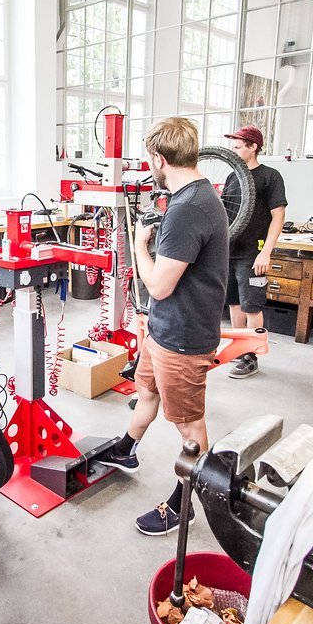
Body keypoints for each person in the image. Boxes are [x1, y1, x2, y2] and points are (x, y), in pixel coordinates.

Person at [102, 116, 229, 536]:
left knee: (189, 424)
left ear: (159, 158)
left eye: (148, 160)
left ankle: (186, 502)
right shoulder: (195, 196)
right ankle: (126, 449)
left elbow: (157, 286)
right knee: (146, 390)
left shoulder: (188, 209)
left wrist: (139, 244)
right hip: (163, 330)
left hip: (183, 337)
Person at [223, 125, 286, 379]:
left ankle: (251, 357)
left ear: (253, 147)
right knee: (235, 303)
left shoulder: (270, 176)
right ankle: (239, 350)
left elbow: (278, 215)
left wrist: (266, 252)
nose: (234, 151)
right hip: (230, 251)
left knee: (252, 305)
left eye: (238, 147)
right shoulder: (232, 177)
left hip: (253, 253)